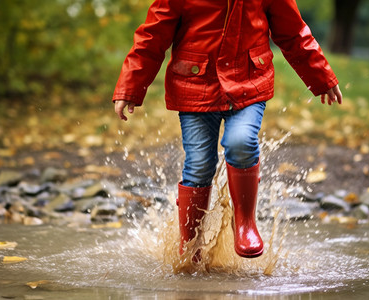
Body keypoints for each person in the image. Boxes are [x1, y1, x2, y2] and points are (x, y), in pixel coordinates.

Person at [113, 0, 342, 260]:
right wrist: (130, 87)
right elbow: (152, 38)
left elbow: (293, 33)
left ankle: (244, 223)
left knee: (241, 142)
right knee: (199, 164)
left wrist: (321, 77)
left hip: (248, 84)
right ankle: (190, 244)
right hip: (195, 86)